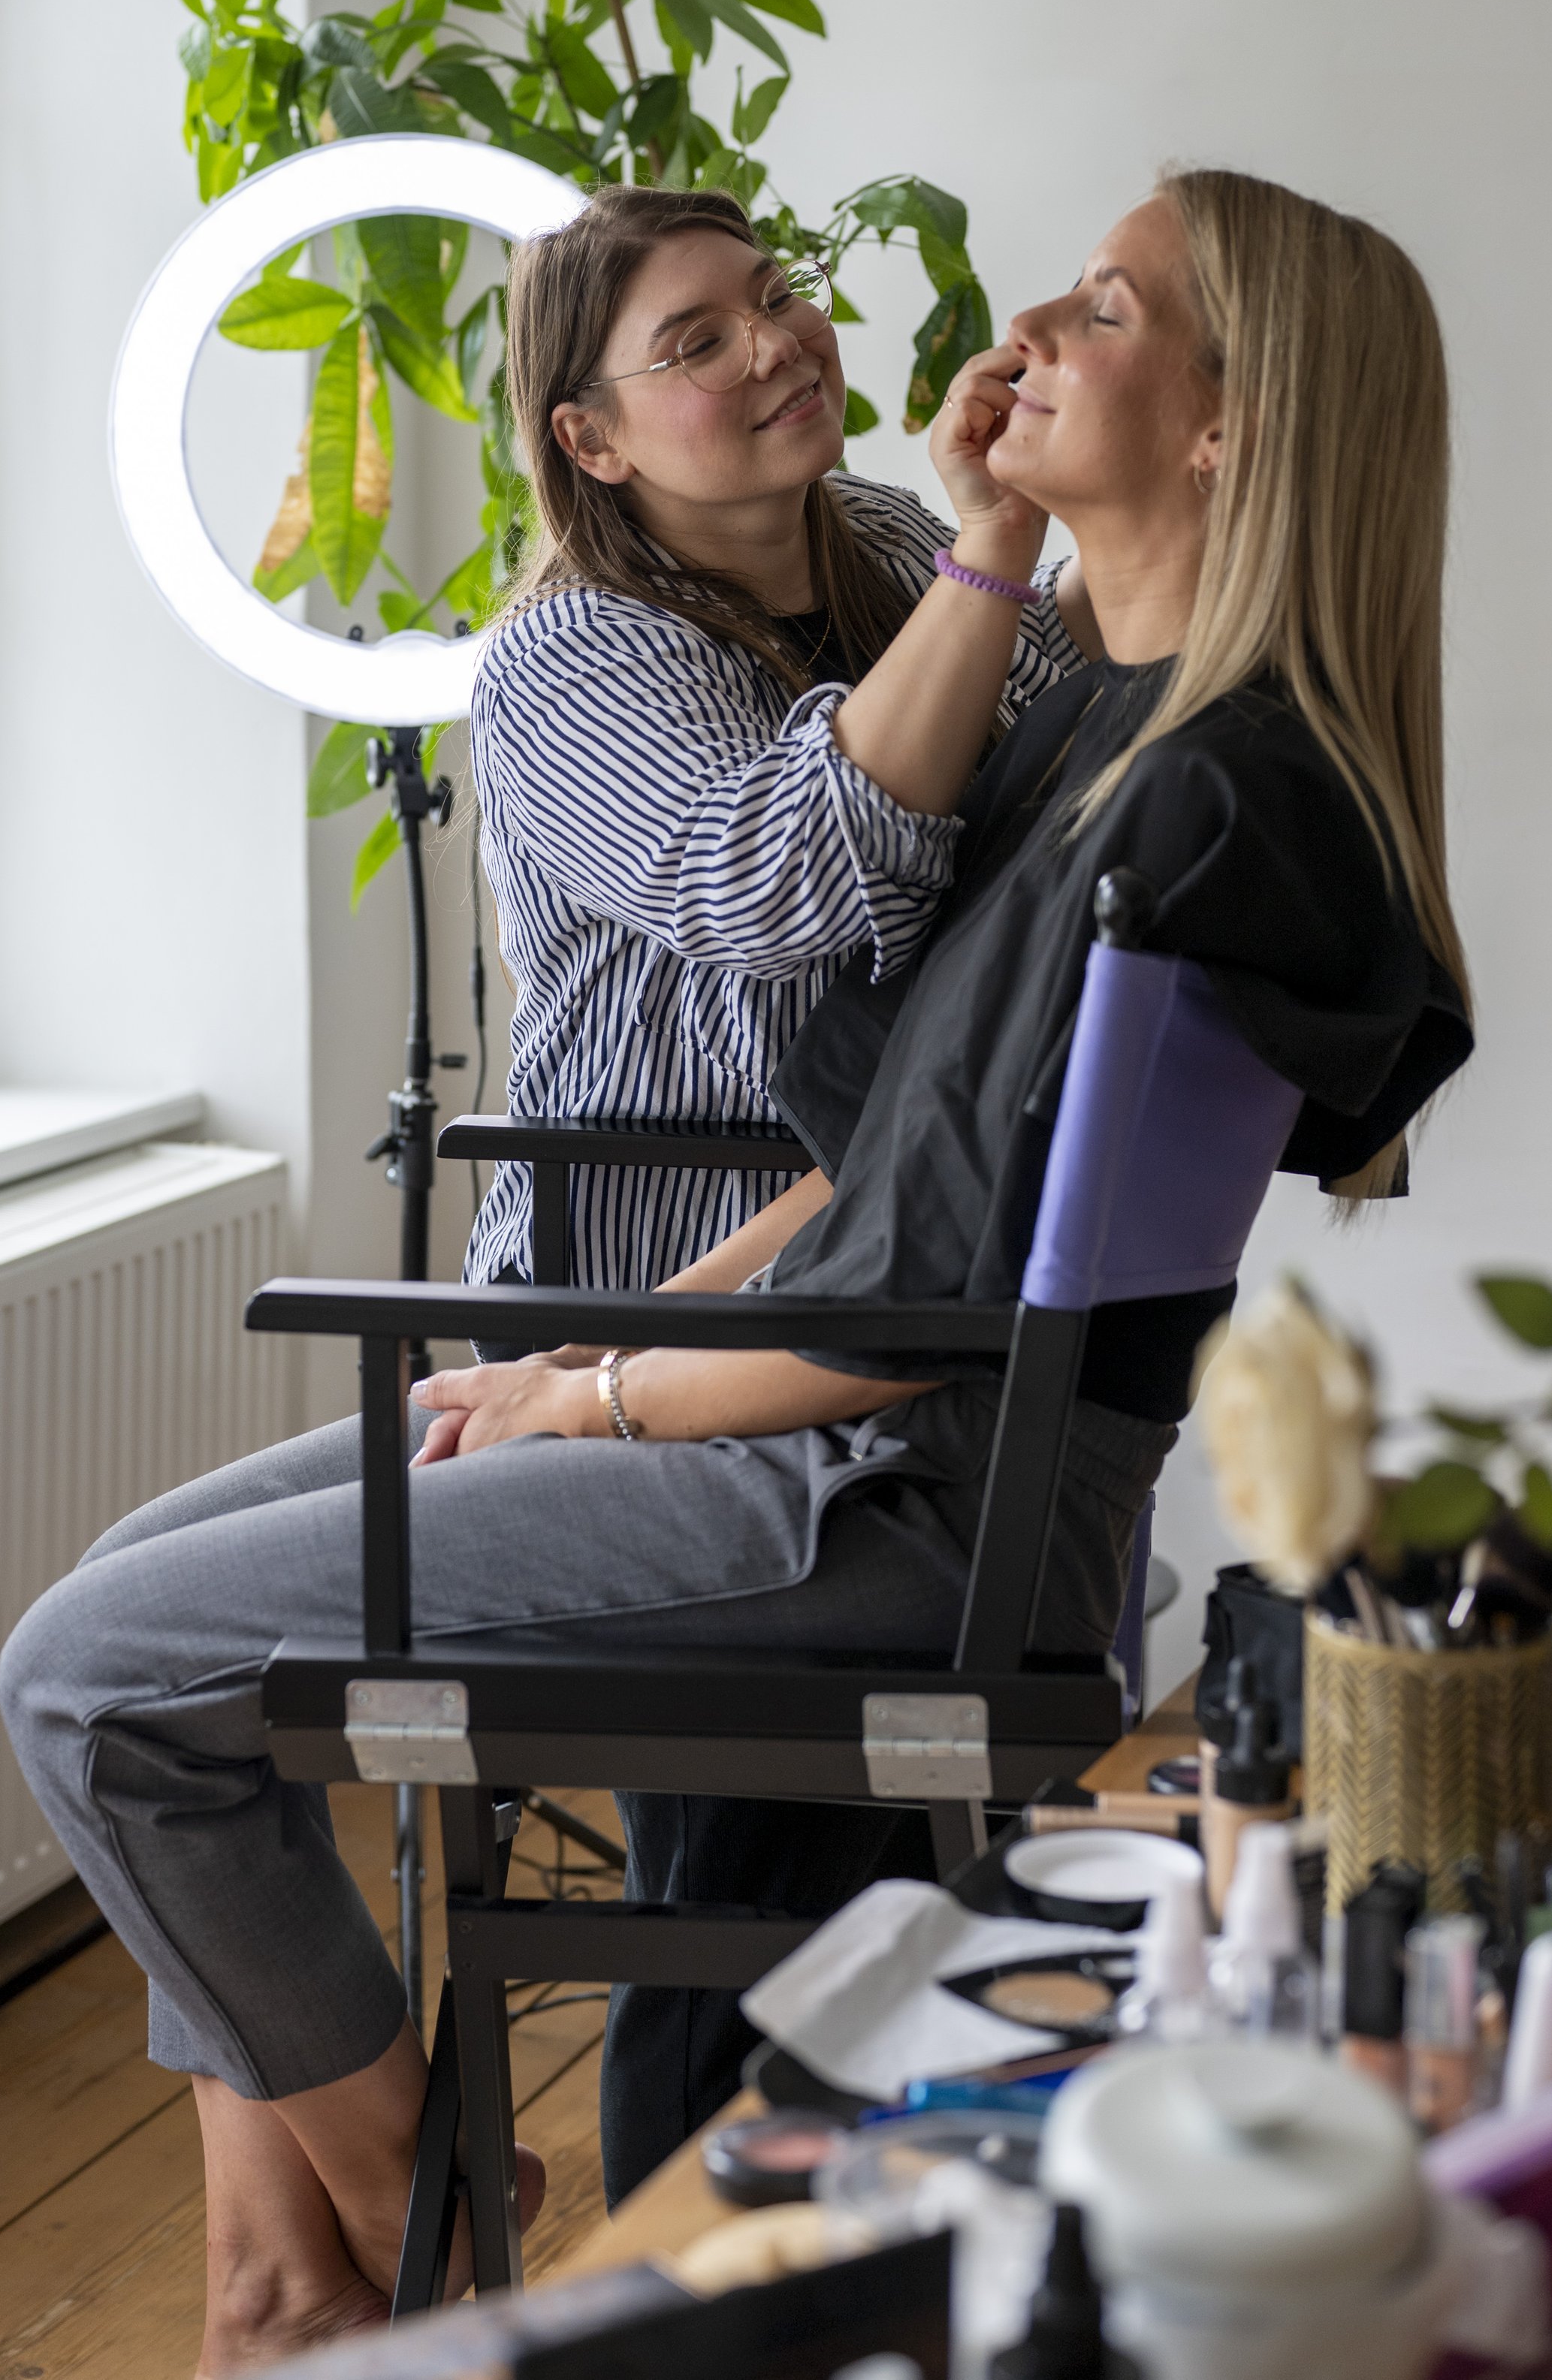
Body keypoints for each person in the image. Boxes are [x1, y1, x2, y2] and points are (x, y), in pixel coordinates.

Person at [0, 167, 1473, 2372]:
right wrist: (604, 1349)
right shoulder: (1034, 716)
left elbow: (911, 1278)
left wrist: (595, 1391)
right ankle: (344, 2257)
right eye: (684, 344)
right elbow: (894, 1125)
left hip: (853, 1470)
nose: (1025, 336)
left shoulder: (1133, 749)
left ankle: (424, 2243)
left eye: (1103, 306)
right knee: (130, 1621)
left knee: (91, 1677)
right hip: (787, 1397)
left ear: (1226, 426)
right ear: (588, 433)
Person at [475, 182, 1095, 2194]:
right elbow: (783, 882)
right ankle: (680, 2262)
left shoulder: (894, 551)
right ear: (589, 436)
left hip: (871, 1265)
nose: (772, 346)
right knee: (744, 1890)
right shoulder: (567, 659)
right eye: (695, 343)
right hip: (634, 1308)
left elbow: (1048, 828)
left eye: (772, 302)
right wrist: (1009, 554)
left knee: (846, 1883)